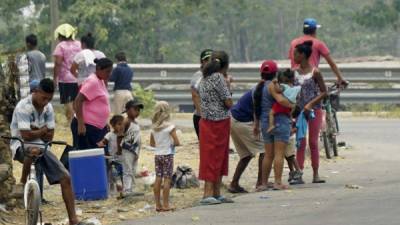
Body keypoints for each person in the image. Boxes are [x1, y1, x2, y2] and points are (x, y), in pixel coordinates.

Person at [10, 78, 81, 225]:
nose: (45, 102)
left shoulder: (48, 108)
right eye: (43, 98)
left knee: (66, 177)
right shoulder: (23, 106)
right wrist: (42, 130)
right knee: (32, 150)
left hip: (43, 147)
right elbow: (26, 135)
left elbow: (50, 135)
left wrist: (36, 131)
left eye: (49, 99)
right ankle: (23, 182)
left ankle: (73, 220)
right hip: (21, 146)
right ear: (35, 92)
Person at [198, 51, 233, 205]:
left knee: (210, 156)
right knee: (217, 156)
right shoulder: (219, 78)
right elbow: (228, 102)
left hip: (206, 122)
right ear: (225, 65)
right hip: (219, 123)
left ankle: (215, 193)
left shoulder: (203, 79)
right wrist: (229, 86)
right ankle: (209, 193)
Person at [254, 60, 293, 191]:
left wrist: (256, 124)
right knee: (279, 154)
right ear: (275, 73)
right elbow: (281, 100)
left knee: (268, 154)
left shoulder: (258, 88)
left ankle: (264, 183)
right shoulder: (272, 85)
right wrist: (292, 105)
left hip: (265, 123)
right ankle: (277, 182)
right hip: (279, 121)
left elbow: (256, 109)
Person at [293, 41, 328, 183]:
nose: (293, 56)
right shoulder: (293, 72)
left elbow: (324, 92)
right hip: (298, 111)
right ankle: (299, 172)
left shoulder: (315, 72)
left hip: (314, 110)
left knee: (313, 142)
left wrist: (310, 104)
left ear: (303, 55)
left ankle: (315, 173)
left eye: (295, 53)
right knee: (300, 142)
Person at [71, 58, 113, 150]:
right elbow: (78, 100)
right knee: (87, 156)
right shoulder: (93, 81)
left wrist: (104, 122)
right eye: (107, 72)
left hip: (97, 128)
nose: (109, 75)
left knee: (98, 155)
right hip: (87, 127)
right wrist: (81, 123)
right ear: (98, 69)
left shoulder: (100, 80)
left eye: (110, 72)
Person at [228, 89, 265, 193]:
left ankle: (234, 184)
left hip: (234, 118)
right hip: (242, 120)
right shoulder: (265, 91)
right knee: (265, 150)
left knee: (246, 154)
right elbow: (257, 110)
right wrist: (257, 126)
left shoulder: (262, 88)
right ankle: (261, 182)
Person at [288, 18, 346, 84]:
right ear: (314, 30)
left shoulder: (293, 42)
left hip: (295, 79)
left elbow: (291, 59)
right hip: (311, 79)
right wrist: (340, 78)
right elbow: (331, 63)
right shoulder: (318, 43)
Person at [150, 101, 180, 212]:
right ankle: (166, 205)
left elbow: (152, 144)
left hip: (157, 155)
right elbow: (177, 142)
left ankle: (158, 205)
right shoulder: (170, 127)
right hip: (167, 155)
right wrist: (170, 143)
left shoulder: (154, 128)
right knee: (167, 179)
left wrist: (160, 144)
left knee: (158, 178)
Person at [53, 23, 81, 123]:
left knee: (68, 102)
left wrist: (55, 78)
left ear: (60, 35)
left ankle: (71, 122)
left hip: (65, 79)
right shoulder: (79, 44)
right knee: (78, 101)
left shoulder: (61, 46)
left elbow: (58, 63)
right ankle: (78, 120)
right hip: (79, 78)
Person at [120, 99, 144, 196]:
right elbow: (120, 135)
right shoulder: (126, 121)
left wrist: (138, 151)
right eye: (135, 109)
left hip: (135, 151)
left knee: (133, 170)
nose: (137, 112)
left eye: (139, 110)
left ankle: (132, 189)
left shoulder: (135, 122)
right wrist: (118, 149)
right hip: (127, 150)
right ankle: (127, 190)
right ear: (128, 110)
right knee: (128, 170)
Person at [97, 115, 125, 194]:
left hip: (122, 159)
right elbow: (104, 141)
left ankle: (122, 189)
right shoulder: (110, 135)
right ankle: (114, 189)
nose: (121, 126)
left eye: (123, 124)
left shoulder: (124, 135)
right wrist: (101, 144)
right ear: (113, 125)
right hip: (112, 159)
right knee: (114, 174)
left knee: (123, 174)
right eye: (119, 124)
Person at [190, 49, 213, 139]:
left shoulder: (218, 75)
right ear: (202, 62)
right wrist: (202, 115)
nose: (209, 62)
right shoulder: (198, 76)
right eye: (206, 60)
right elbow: (194, 95)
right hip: (202, 117)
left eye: (211, 60)